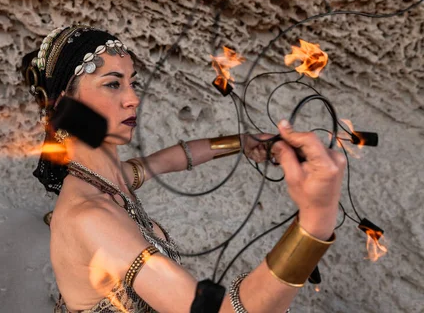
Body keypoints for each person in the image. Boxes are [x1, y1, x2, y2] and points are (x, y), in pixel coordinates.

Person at [21, 25, 346, 313]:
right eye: (113, 84)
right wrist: (315, 223)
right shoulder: (91, 217)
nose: (133, 98)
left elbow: (172, 158)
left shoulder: (111, 179)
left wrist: (242, 142)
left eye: (132, 83)